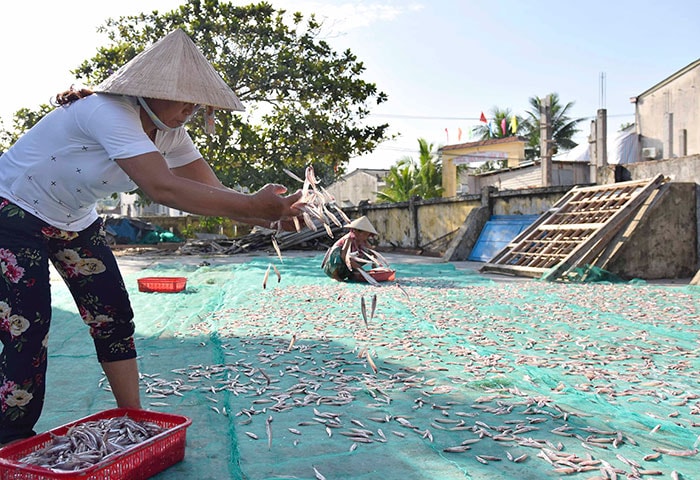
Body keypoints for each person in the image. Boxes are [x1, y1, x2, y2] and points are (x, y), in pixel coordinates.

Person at [0, 29, 302, 445]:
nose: (190, 108)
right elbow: (163, 188)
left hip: (74, 218)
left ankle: (132, 418)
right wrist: (253, 207)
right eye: (182, 97)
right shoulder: (106, 111)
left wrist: (275, 217)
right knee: (26, 326)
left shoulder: (171, 132)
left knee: (113, 317)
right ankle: (10, 437)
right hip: (15, 209)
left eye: (197, 101)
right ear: (148, 90)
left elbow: (213, 191)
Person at [322, 216, 386, 282]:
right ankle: (336, 276)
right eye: (365, 234)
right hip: (335, 265)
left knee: (366, 255)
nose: (367, 237)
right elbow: (344, 256)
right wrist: (360, 269)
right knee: (337, 253)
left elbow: (372, 252)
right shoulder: (349, 239)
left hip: (348, 266)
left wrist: (374, 264)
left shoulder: (364, 240)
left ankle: (352, 274)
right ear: (357, 232)